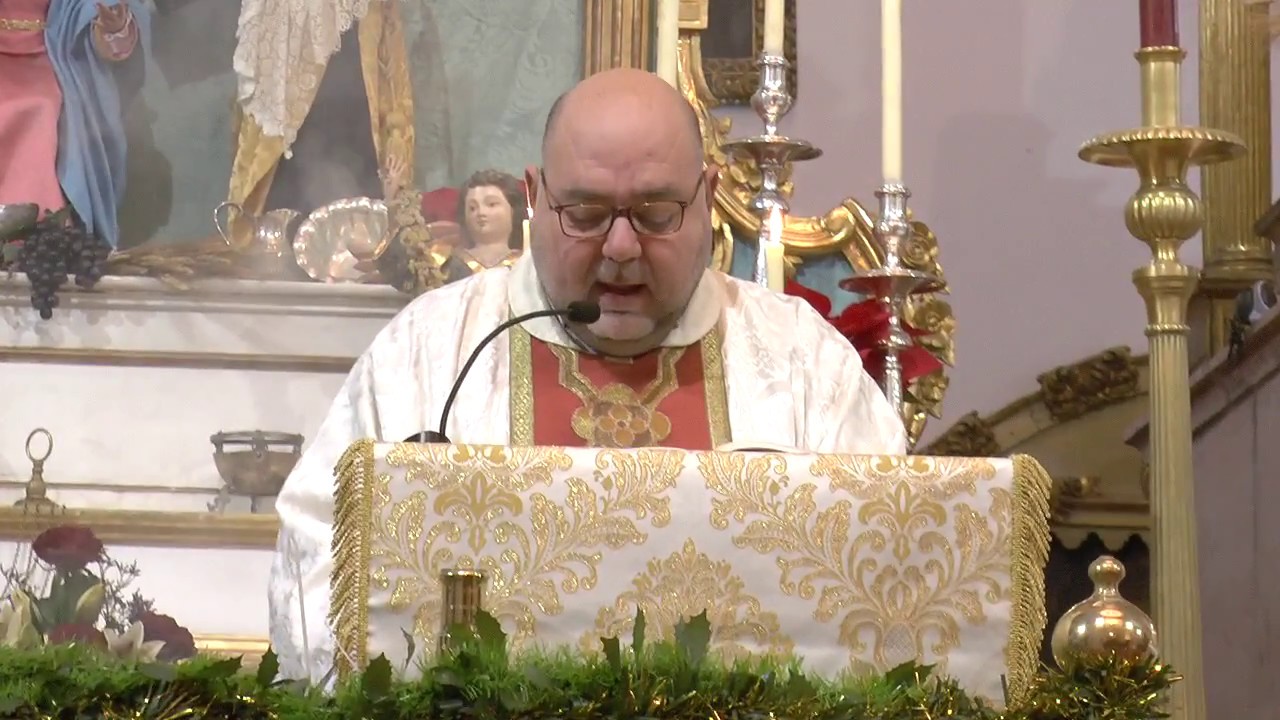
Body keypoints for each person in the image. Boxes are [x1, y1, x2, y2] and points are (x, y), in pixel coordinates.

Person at [267, 68, 907, 682]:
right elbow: (317, 565)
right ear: (534, 197)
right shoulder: (428, 352)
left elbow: (886, 579)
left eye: (656, 213)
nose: (621, 247)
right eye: (585, 213)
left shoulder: (802, 361)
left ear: (708, 198)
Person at [0, 0, 148, 250]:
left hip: (52, 53)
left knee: (40, 106)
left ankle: (40, 236)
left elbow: (98, 17)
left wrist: (113, 28)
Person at [375, 165, 525, 294]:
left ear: (513, 210)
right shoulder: (440, 262)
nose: (481, 213)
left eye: (491, 204)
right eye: (472, 208)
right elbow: (397, 269)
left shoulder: (526, 265)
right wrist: (392, 203)